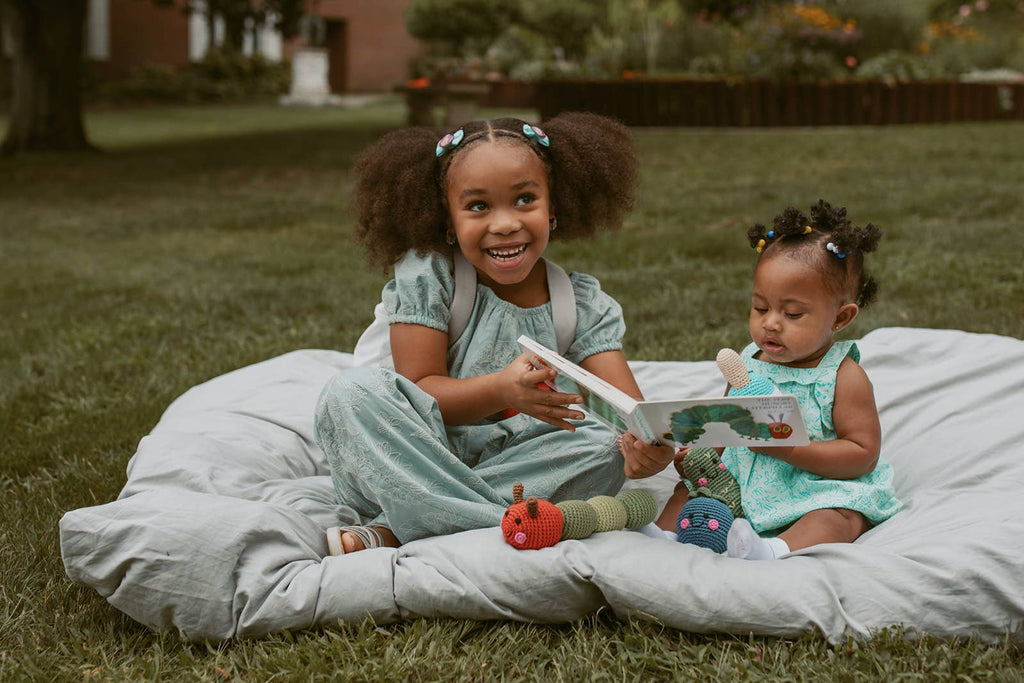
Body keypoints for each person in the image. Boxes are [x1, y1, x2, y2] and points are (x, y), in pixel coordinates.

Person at [315, 113, 645, 554]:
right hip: (411, 458)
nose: (504, 223)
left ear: (554, 209)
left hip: (521, 466)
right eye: (478, 206)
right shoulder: (432, 278)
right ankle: (510, 522)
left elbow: (635, 413)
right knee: (349, 393)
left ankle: (401, 528)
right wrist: (504, 389)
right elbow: (421, 389)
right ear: (447, 221)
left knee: (605, 447)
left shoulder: (579, 302)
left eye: (525, 199)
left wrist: (650, 447)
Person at [619, 199, 901, 559]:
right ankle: (665, 536)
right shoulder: (749, 362)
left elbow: (862, 455)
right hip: (742, 479)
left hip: (812, 485)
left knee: (841, 517)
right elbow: (723, 421)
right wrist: (701, 453)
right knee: (690, 489)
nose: (770, 323)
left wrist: (794, 450)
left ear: (841, 318)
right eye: (760, 308)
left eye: (793, 313)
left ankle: (773, 549)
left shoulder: (843, 376)